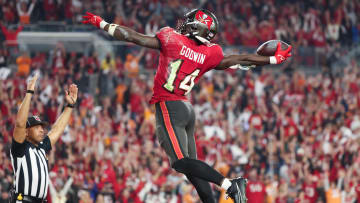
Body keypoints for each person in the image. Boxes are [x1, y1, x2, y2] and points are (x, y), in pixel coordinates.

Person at [82, 8, 291, 203]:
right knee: (193, 169)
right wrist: (272, 60)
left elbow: (133, 37)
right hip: (186, 109)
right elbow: (240, 59)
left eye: (190, 23)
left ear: (196, 28)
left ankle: (230, 184)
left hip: (169, 106)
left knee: (180, 163)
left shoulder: (172, 39)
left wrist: (103, 24)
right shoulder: (211, 53)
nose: (185, 25)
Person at [10, 73, 78, 203]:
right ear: (27, 132)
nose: (42, 129)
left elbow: (56, 129)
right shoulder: (20, 147)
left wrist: (69, 106)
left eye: (42, 127)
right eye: (37, 127)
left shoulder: (42, 147)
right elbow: (19, 124)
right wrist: (29, 92)